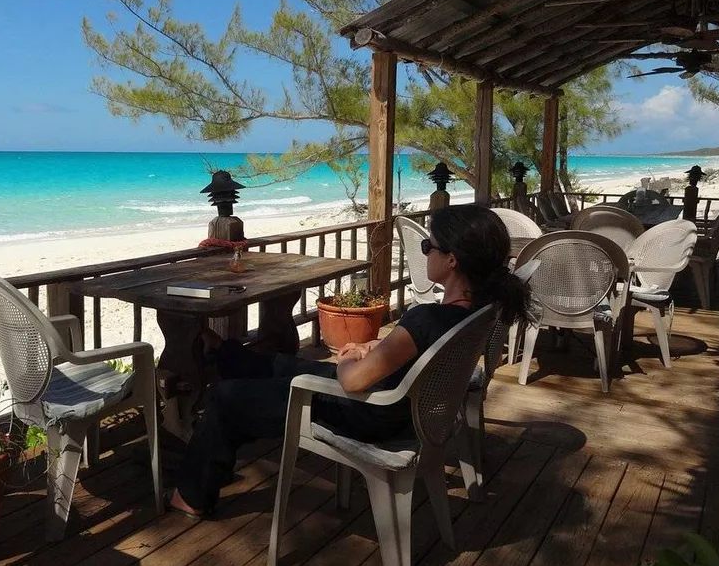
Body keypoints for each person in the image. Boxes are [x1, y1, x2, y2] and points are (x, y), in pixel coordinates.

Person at [167, 203, 532, 518]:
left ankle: (193, 497)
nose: (425, 254)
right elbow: (413, 351)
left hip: (367, 409)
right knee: (276, 364)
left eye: (428, 246)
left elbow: (353, 381)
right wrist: (374, 347)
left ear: (451, 260)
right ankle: (221, 356)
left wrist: (348, 355)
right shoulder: (475, 311)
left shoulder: (428, 319)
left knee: (226, 397)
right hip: (400, 403)